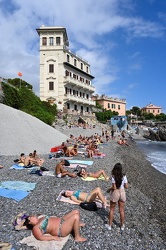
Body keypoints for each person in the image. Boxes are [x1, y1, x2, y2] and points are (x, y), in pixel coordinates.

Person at [105, 163, 128, 231]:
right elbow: (126, 187)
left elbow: (114, 187)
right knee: (121, 210)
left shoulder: (113, 176)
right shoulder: (124, 176)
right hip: (122, 192)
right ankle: (122, 226)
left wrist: (109, 189)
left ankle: (109, 225)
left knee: (112, 209)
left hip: (116, 192)